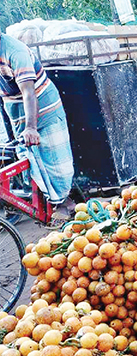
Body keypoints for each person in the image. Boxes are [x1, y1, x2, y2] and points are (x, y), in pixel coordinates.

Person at [0, 32, 74, 220]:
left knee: (54, 158)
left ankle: (65, 201)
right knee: (29, 155)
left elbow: (28, 93)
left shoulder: (14, 51)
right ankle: (47, 200)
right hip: (14, 105)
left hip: (42, 102)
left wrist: (31, 127)